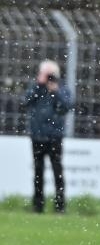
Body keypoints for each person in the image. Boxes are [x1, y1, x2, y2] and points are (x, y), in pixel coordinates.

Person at [23, 60, 73, 214]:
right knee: (38, 172)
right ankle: (38, 206)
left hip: (54, 137)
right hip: (37, 136)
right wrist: (39, 84)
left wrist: (56, 91)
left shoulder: (62, 88)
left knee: (57, 171)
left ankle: (60, 206)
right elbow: (26, 101)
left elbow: (67, 106)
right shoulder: (37, 88)